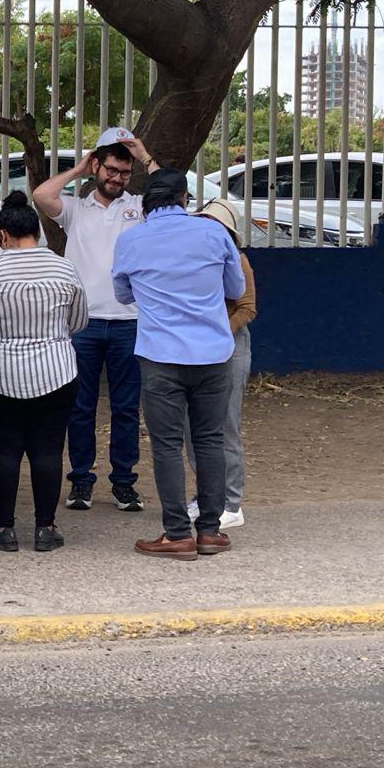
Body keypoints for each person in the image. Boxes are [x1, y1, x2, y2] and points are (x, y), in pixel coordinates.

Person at [112, 168, 245, 561]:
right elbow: (235, 289)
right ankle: (209, 530)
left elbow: (122, 294)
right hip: (213, 355)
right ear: (185, 199)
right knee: (209, 440)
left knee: (167, 445)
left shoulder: (131, 240)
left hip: (161, 356)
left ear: (144, 203)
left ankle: (175, 533)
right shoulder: (214, 233)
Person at [0, 193, 88, 553]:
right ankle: (46, 528)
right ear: (37, 233)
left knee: (4, 451)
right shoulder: (64, 268)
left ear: (3, 234)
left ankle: (4, 529)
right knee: (48, 451)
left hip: (0, 374)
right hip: (56, 372)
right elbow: (78, 321)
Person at [32, 127, 158, 514]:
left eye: (124, 171)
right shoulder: (75, 208)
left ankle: (123, 483)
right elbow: (41, 196)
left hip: (128, 322)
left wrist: (144, 154)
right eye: (111, 170)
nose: (117, 178)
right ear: (97, 167)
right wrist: (77, 170)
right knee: (80, 407)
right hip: (82, 325)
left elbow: (175, 196)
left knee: (125, 408)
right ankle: (81, 482)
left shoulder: (139, 205)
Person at [187, 199, 257, 530]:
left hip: (229, 347)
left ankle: (231, 501)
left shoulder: (239, 261)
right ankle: (205, 496)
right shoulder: (194, 263)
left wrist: (217, 332)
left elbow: (247, 308)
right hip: (197, 348)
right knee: (191, 426)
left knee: (224, 425)